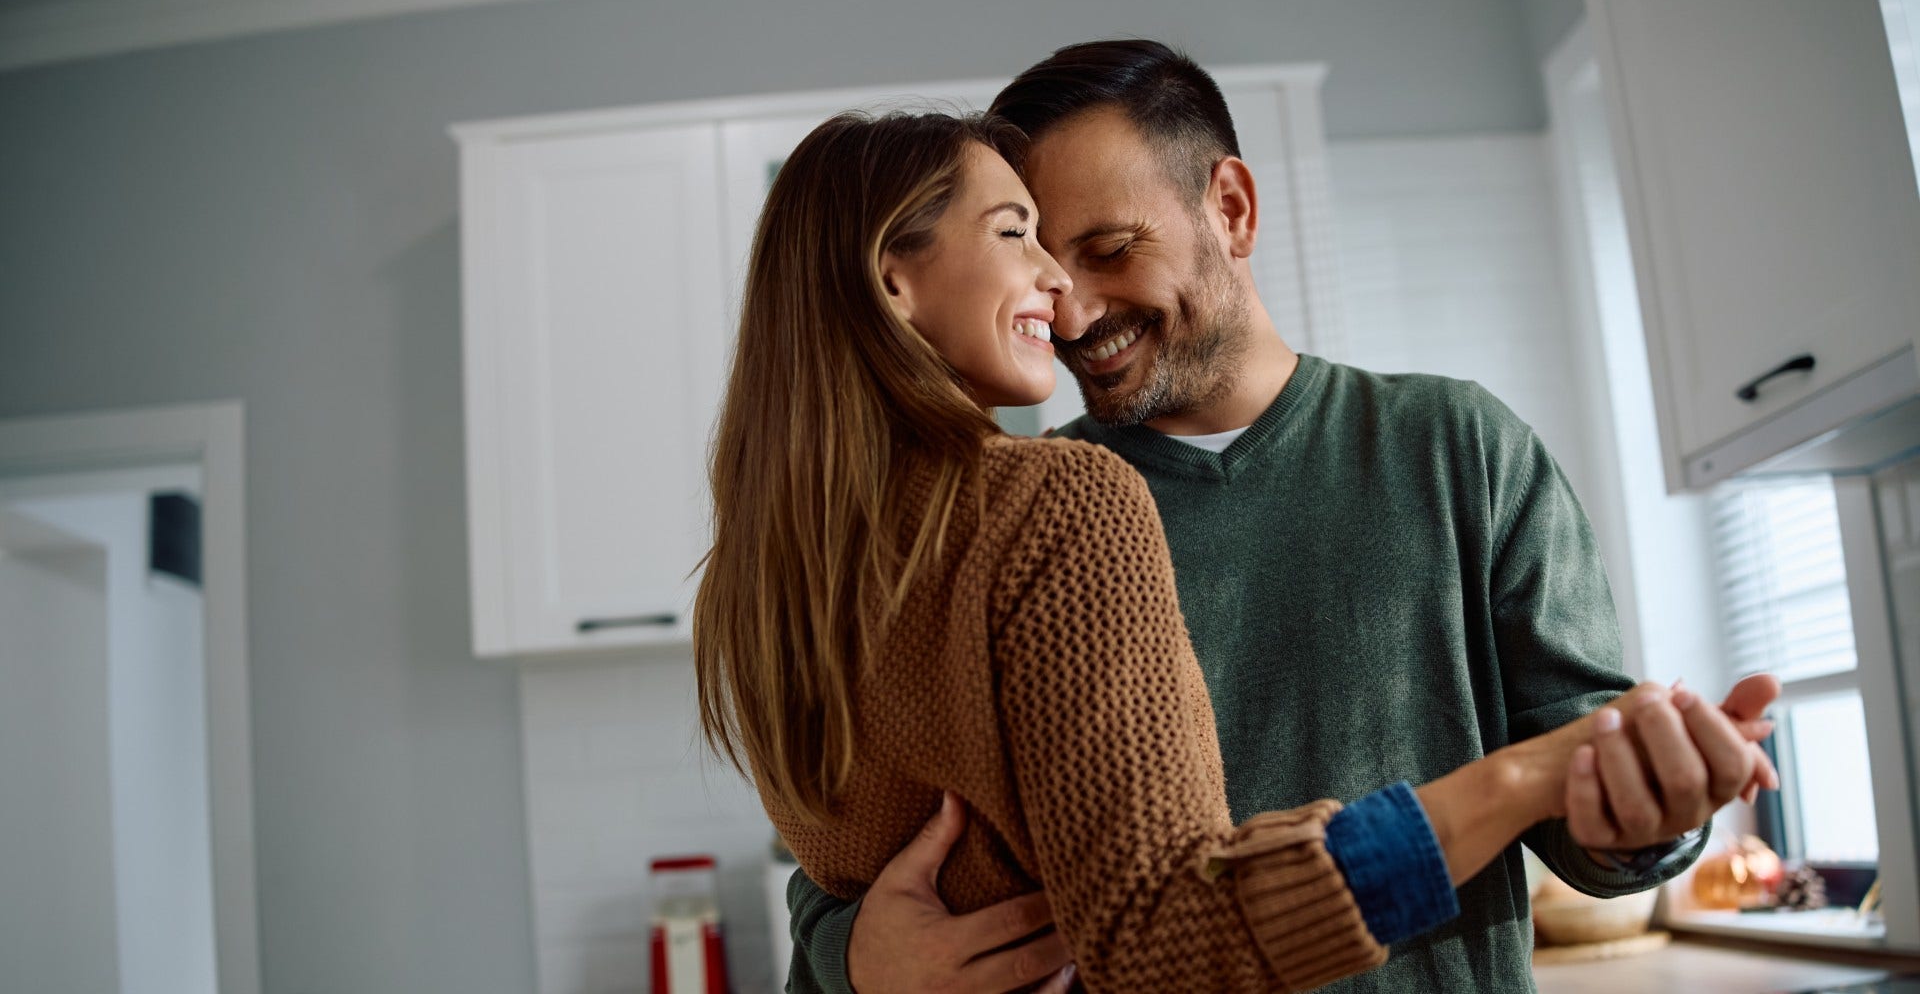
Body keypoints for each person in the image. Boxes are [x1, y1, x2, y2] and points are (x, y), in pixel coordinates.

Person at [695, 110, 1776, 993]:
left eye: (1108, 249)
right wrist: (850, 957)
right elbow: (879, 869)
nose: (1067, 299)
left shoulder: (1456, 448)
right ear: (897, 278)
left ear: (1232, 208)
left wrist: (1646, 803)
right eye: (1021, 234)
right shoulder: (1035, 511)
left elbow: (1592, 795)